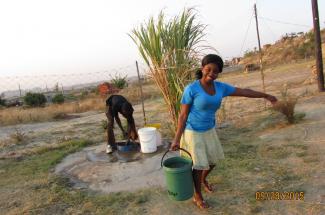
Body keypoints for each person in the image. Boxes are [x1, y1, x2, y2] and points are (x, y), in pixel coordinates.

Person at [170, 54, 277, 209]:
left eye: (215, 71)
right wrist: (176, 139)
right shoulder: (191, 89)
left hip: (209, 130)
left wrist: (266, 96)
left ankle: (202, 180)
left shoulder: (221, 87)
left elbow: (244, 92)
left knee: (212, 161)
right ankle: (197, 196)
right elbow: (183, 115)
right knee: (198, 166)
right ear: (202, 68)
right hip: (193, 132)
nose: (211, 74)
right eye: (208, 69)